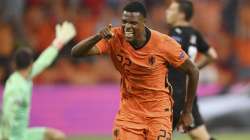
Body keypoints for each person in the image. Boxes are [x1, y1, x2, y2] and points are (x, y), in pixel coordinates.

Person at [71, 1, 199, 140]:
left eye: (133, 23)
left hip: (158, 112)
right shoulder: (114, 37)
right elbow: (76, 52)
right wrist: (98, 37)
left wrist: (187, 111)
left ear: (144, 22)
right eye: (124, 22)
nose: (127, 27)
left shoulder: (164, 44)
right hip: (130, 114)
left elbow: (193, 71)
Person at [0, 21, 76, 140]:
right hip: (11, 137)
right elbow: (8, 111)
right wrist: (5, 136)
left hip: (22, 135)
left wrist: (58, 42)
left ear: (15, 65)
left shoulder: (24, 76)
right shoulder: (16, 86)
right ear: (30, 64)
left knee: (58, 136)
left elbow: (43, 61)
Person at [165, 1, 218, 140]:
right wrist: (193, 69)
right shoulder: (195, 33)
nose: (167, 12)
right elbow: (212, 55)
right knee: (200, 135)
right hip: (189, 94)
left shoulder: (174, 34)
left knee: (159, 134)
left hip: (173, 94)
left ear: (181, 14)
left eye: (171, 10)